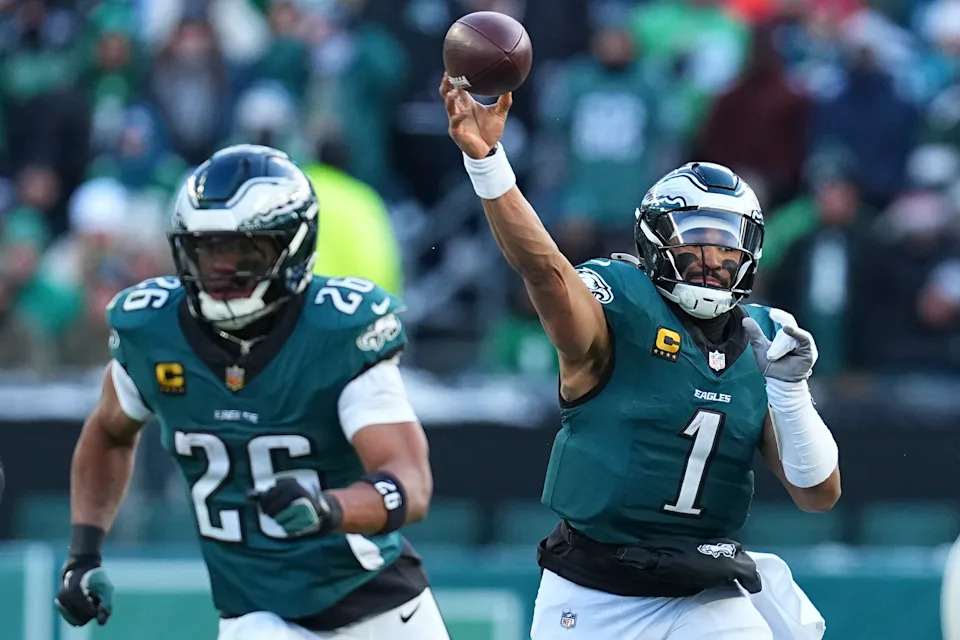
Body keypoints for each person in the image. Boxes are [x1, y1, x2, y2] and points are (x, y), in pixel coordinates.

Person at [440, 75, 840, 639]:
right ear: (655, 241)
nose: (713, 260)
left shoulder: (763, 339)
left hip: (701, 590)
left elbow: (818, 493)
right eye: (696, 240)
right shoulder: (621, 305)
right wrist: (487, 163)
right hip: (593, 592)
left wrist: (791, 392)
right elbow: (546, 273)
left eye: (727, 244)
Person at [53, 145, 450, 639]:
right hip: (255, 613)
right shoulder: (154, 332)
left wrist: (329, 509)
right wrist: (83, 554)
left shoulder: (337, 333)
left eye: (244, 250)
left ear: (292, 246)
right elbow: (109, 433)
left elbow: (410, 482)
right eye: (208, 249)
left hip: (376, 605)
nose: (222, 269)